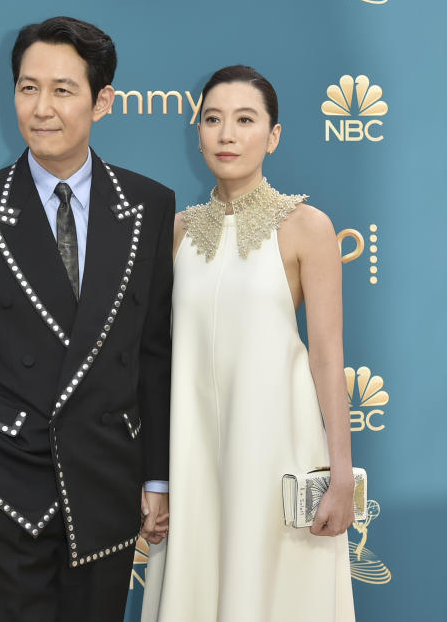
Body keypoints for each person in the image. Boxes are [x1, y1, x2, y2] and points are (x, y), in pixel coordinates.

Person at [0, 16, 172, 622]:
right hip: (1, 483)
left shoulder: (148, 205)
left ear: (102, 101)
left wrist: (157, 478)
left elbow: (155, 351)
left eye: (62, 90)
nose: (42, 108)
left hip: (104, 484)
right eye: (28, 88)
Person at [141, 65, 356, 621]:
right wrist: (156, 478)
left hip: (275, 456)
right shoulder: (178, 232)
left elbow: (328, 356)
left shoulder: (307, 226)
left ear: (273, 135)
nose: (227, 134)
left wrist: (339, 475)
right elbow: (159, 361)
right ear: (198, 133)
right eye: (213, 119)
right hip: (193, 458)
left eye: (244, 120)